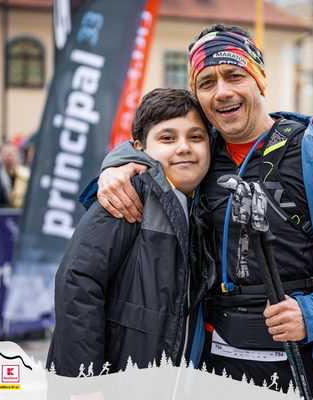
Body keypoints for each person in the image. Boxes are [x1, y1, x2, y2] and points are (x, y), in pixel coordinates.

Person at [95, 25, 313, 396]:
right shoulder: (197, 154)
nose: (222, 91)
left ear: (259, 80)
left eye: (234, 76)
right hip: (213, 369)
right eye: (207, 83)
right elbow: (148, 145)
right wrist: (116, 164)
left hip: (306, 364)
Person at [46, 88, 212, 378]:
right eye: (167, 138)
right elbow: (77, 282)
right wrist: (84, 384)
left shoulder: (204, 203)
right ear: (140, 148)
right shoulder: (128, 194)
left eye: (195, 137)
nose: (184, 147)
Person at [0, 142, 31, 208]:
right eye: (6, 154)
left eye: (11, 154)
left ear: (18, 155)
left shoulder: (26, 175)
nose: (9, 157)